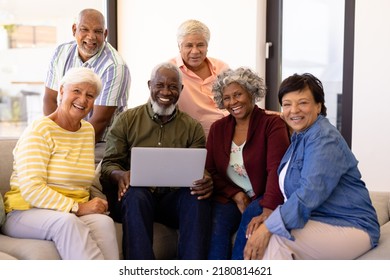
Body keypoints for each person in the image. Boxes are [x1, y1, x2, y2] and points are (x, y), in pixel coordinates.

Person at [242, 73, 380, 260]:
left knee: (276, 240)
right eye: (287, 104)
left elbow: (308, 193)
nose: (294, 110)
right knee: (261, 235)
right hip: (320, 220)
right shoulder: (301, 136)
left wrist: (269, 226)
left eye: (303, 103)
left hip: (351, 225)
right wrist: (271, 217)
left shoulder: (324, 138)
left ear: (318, 106)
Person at [2, 67, 119, 260]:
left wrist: (93, 203)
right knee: (66, 223)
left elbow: (83, 183)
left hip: (68, 211)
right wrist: (77, 208)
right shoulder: (40, 130)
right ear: (62, 91)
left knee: (103, 223)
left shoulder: (87, 131)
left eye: (90, 95)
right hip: (25, 211)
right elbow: (31, 189)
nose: (83, 100)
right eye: (77, 91)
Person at [99, 62, 213, 260]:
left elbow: (197, 169)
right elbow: (109, 164)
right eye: (160, 85)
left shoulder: (192, 127)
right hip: (137, 200)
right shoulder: (127, 120)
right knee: (135, 193)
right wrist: (121, 175)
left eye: (173, 87)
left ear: (181, 90)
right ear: (150, 85)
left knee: (196, 197)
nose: (166, 91)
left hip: (172, 201)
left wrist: (205, 179)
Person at [205, 67, 290, 259]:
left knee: (250, 219)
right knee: (216, 223)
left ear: (251, 93)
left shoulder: (272, 124)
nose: (233, 102)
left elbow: (277, 169)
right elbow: (211, 171)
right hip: (232, 196)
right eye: (226, 97)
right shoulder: (218, 129)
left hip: (264, 196)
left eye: (238, 94)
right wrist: (235, 194)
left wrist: (268, 207)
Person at [43, 8, 131, 164]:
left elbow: (100, 121)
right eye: (84, 29)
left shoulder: (115, 66)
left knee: (69, 174)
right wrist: (53, 138)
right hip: (62, 136)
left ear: (105, 34)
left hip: (100, 142)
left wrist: (67, 152)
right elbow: (49, 99)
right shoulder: (61, 53)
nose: (91, 37)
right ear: (74, 30)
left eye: (97, 31)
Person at [169, 19, 230, 137]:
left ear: (207, 46)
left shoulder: (222, 67)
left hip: (228, 135)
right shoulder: (170, 71)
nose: (195, 51)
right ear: (179, 46)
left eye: (200, 45)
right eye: (189, 45)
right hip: (192, 139)